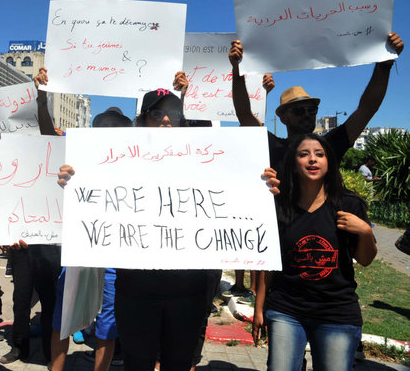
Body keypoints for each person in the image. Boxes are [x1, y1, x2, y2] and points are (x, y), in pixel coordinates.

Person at [58, 87, 280, 371]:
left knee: (178, 363)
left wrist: (260, 186)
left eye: (173, 114)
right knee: (137, 364)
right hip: (135, 290)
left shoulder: (208, 162)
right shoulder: (118, 164)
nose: (165, 120)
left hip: (188, 291)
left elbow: (235, 192)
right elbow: (93, 199)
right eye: (156, 113)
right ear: (142, 121)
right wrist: (74, 181)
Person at [253, 134, 376, 371]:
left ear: (329, 161)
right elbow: (270, 261)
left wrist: (365, 232)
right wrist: (259, 308)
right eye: (303, 154)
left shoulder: (348, 204)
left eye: (319, 154)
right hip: (287, 309)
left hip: (336, 311)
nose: (312, 159)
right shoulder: (279, 204)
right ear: (293, 164)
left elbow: (365, 259)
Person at [229, 32, 404, 170]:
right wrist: (237, 70)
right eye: (298, 111)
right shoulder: (274, 147)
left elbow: (367, 109)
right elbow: (244, 114)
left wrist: (384, 65)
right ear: (283, 118)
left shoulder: (330, 145)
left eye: (311, 110)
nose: (307, 114)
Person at [50, 106, 132, 371]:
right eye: (104, 128)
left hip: (115, 252)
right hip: (80, 248)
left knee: (108, 322)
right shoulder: (76, 162)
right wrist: (63, 182)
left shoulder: (135, 165)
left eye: (117, 129)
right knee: (64, 316)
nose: (110, 133)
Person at [1, 68, 62, 365]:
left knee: (50, 300)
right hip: (21, 240)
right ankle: (20, 346)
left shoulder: (56, 147)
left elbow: (48, 128)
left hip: (50, 240)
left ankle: (52, 354)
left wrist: (41, 99)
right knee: (20, 299)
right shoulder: (13, 158)